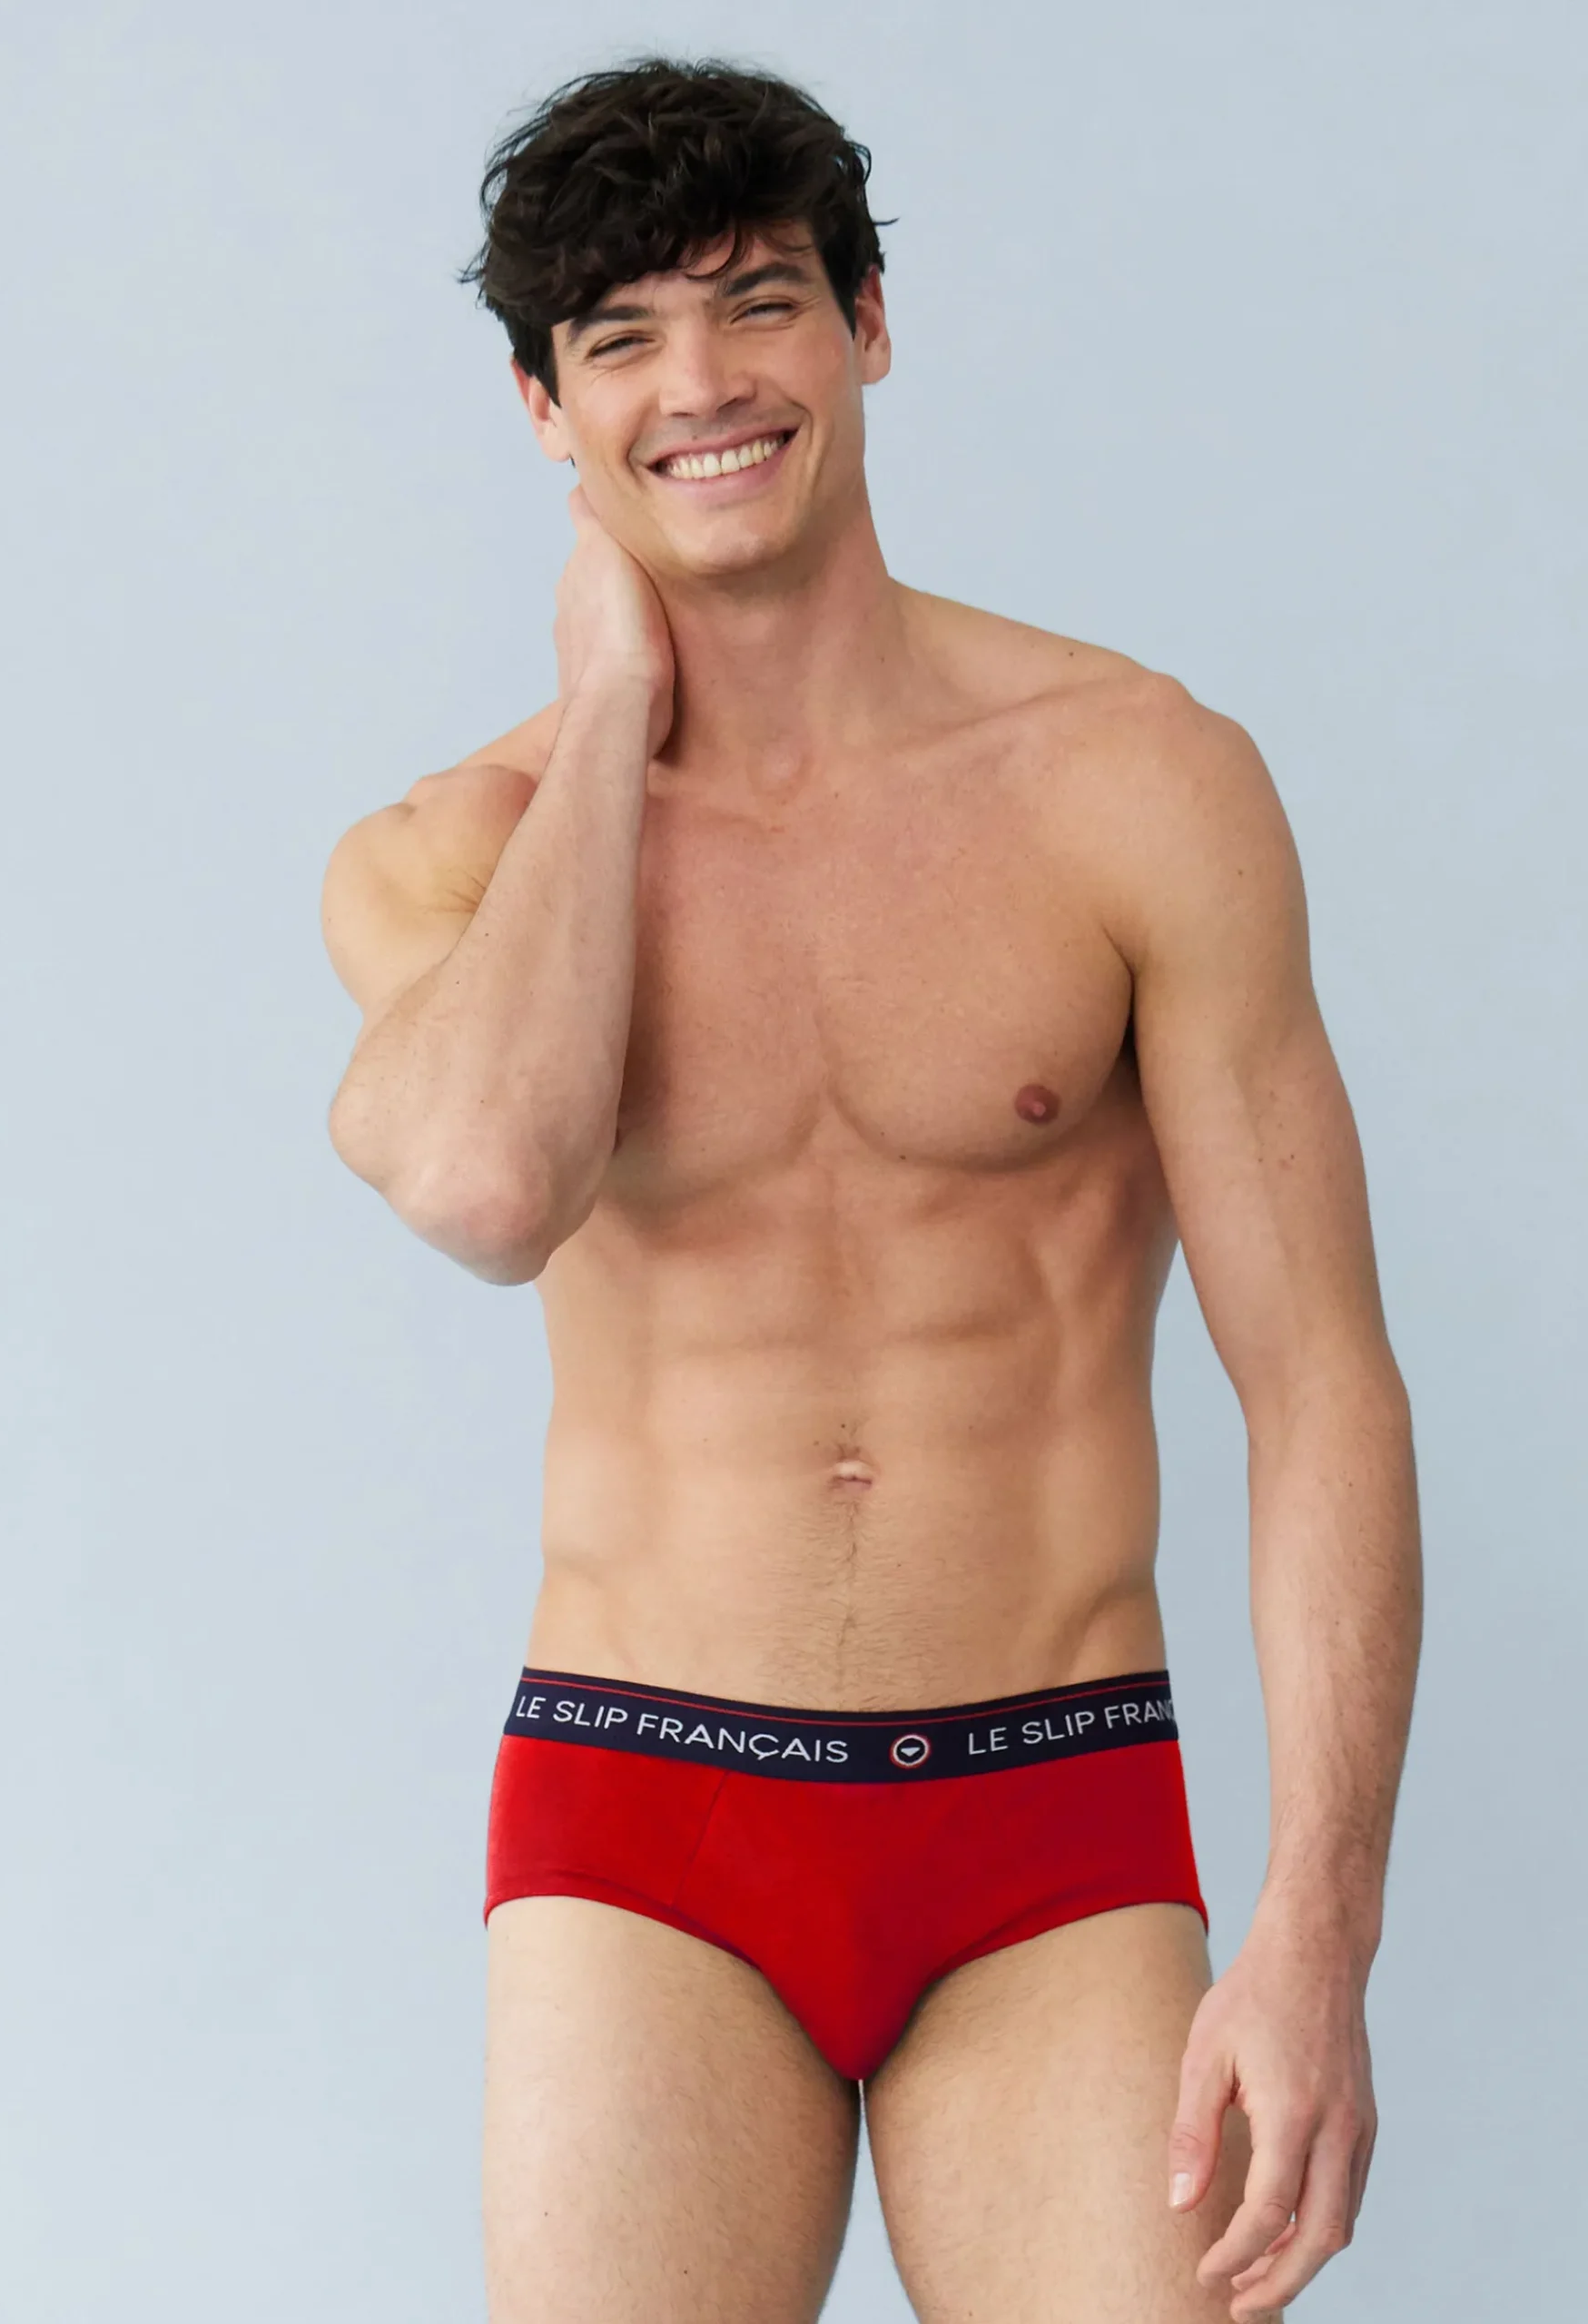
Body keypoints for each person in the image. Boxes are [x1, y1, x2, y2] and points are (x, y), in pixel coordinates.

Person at [319, 56, 1421, 2324]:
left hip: (1051, 1814)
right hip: (648, 1816)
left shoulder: (1137, 784)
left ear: (870, 326)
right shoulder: (455, 854)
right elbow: (488, 1180)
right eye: (620, 338)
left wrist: (1316, 1928)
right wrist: (610, 717)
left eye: (759, 303)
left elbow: (1318, 1377)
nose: (700, 386)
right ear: (542, 407)